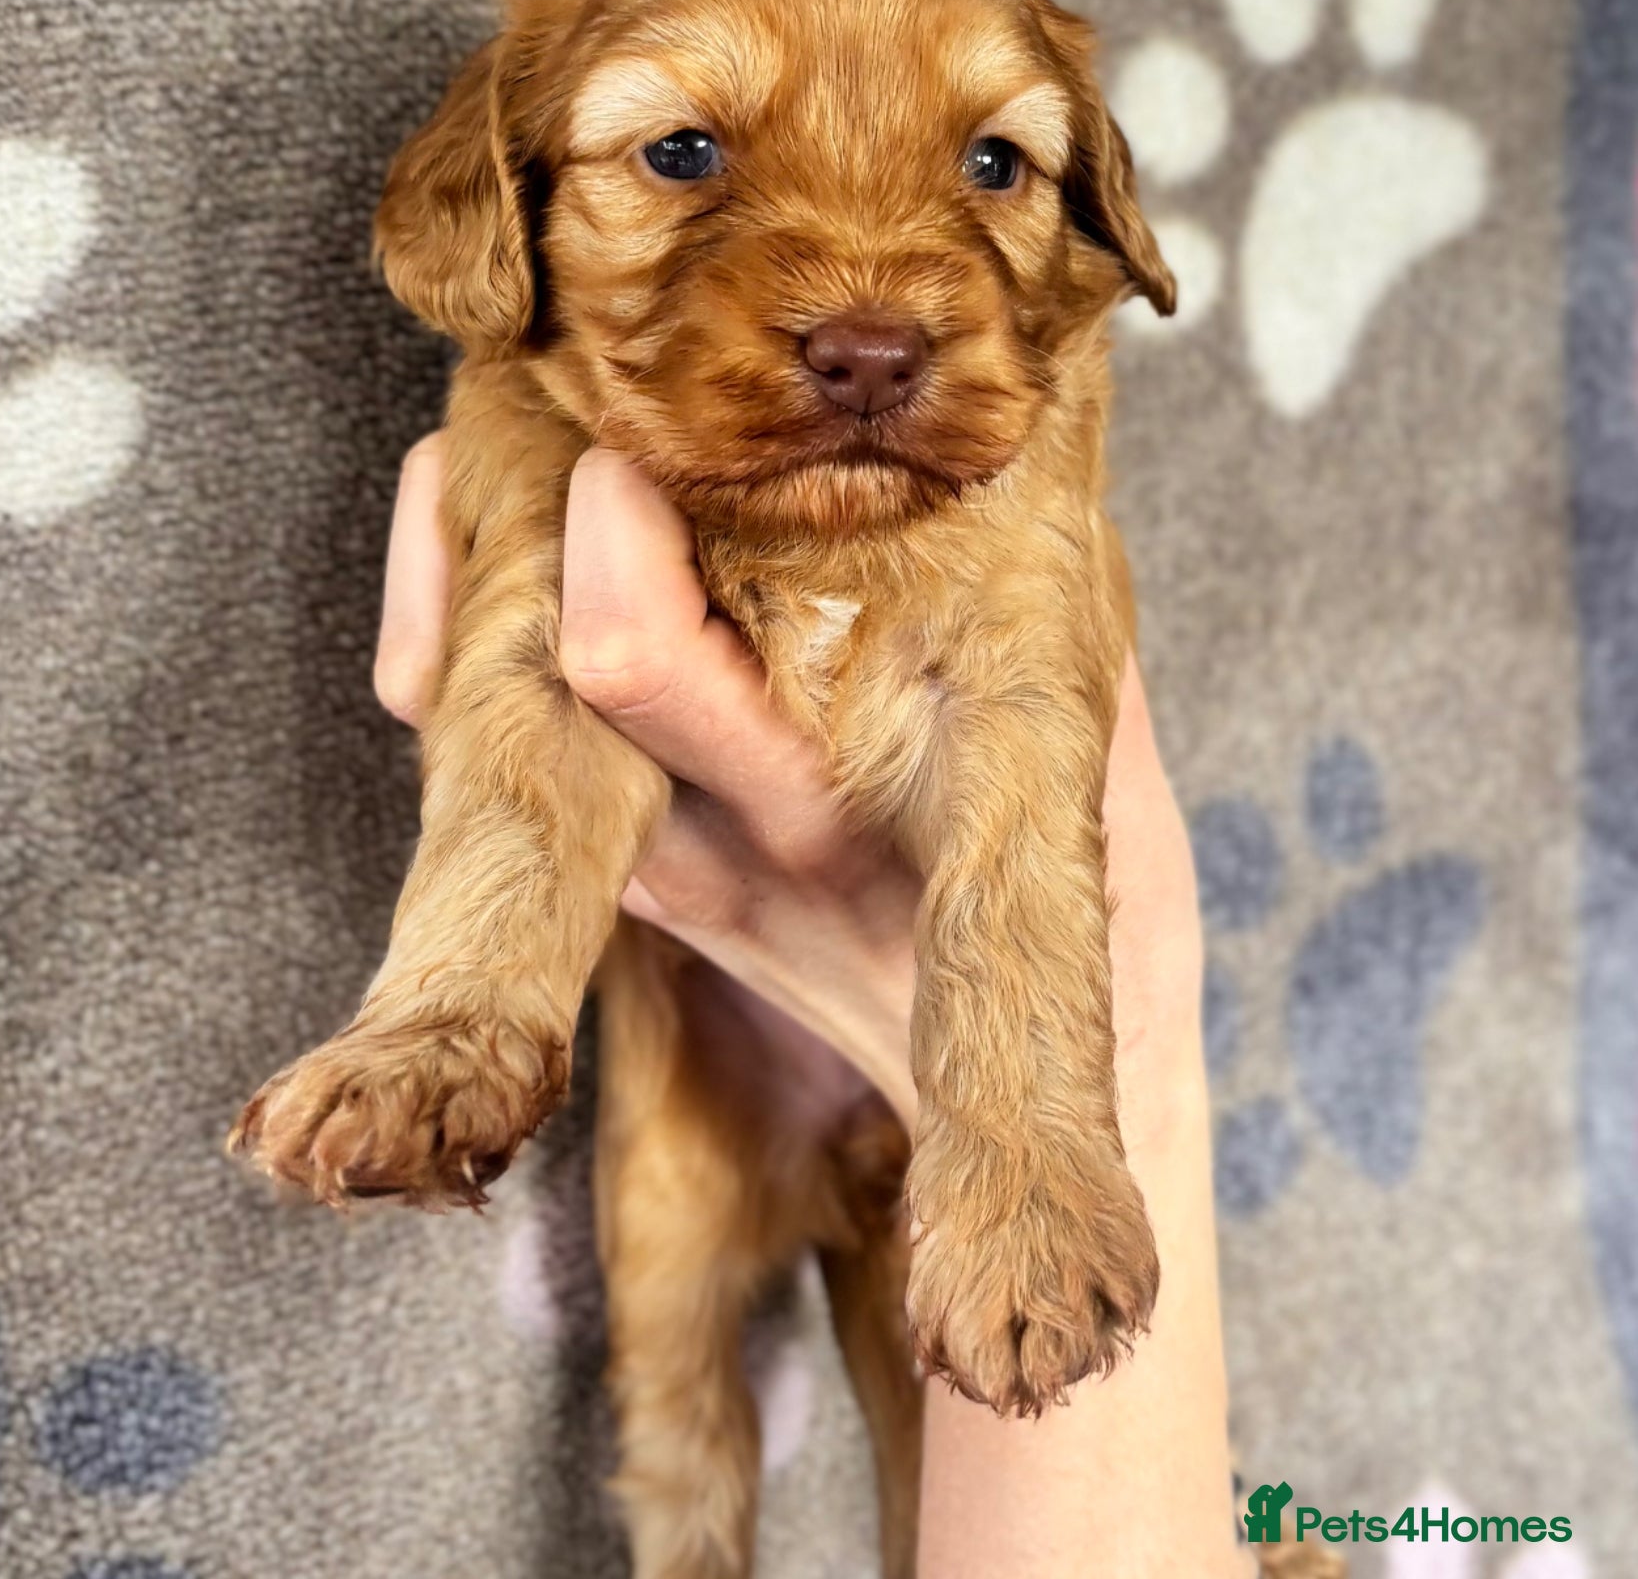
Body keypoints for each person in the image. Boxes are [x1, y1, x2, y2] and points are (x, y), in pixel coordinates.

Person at [375, 435, 1255, 1579]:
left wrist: (1115, 1048)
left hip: (1009, 1046)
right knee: (683, 1440)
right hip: (700, 1035)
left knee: (1010, 1352)